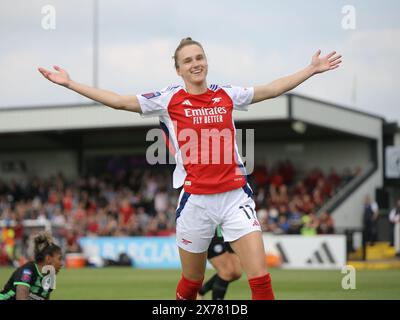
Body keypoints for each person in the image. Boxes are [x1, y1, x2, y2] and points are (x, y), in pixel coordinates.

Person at [38, 37, 341, 300]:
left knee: (260, 280)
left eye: (199, 57)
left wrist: (311, 69)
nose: (195, 63)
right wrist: (70, 83)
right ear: (179, 69)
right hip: (195, 202)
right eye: (188, 60)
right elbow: (118, 101)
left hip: (235, 198)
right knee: (191, 283)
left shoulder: (226, 94)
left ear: (206, 61)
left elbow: (273, 89)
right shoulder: (168, 99)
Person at [0, 232, 63, 300]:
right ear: (48, 258)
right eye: (59, 259)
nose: (61, 263)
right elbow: (21, 298)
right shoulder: (27, 271)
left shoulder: (50, 277)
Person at [197, 226, 242, 300]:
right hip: (212, 230)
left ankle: (200, 291)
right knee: (227, 272)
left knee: (237, 273)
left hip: (228, 229)